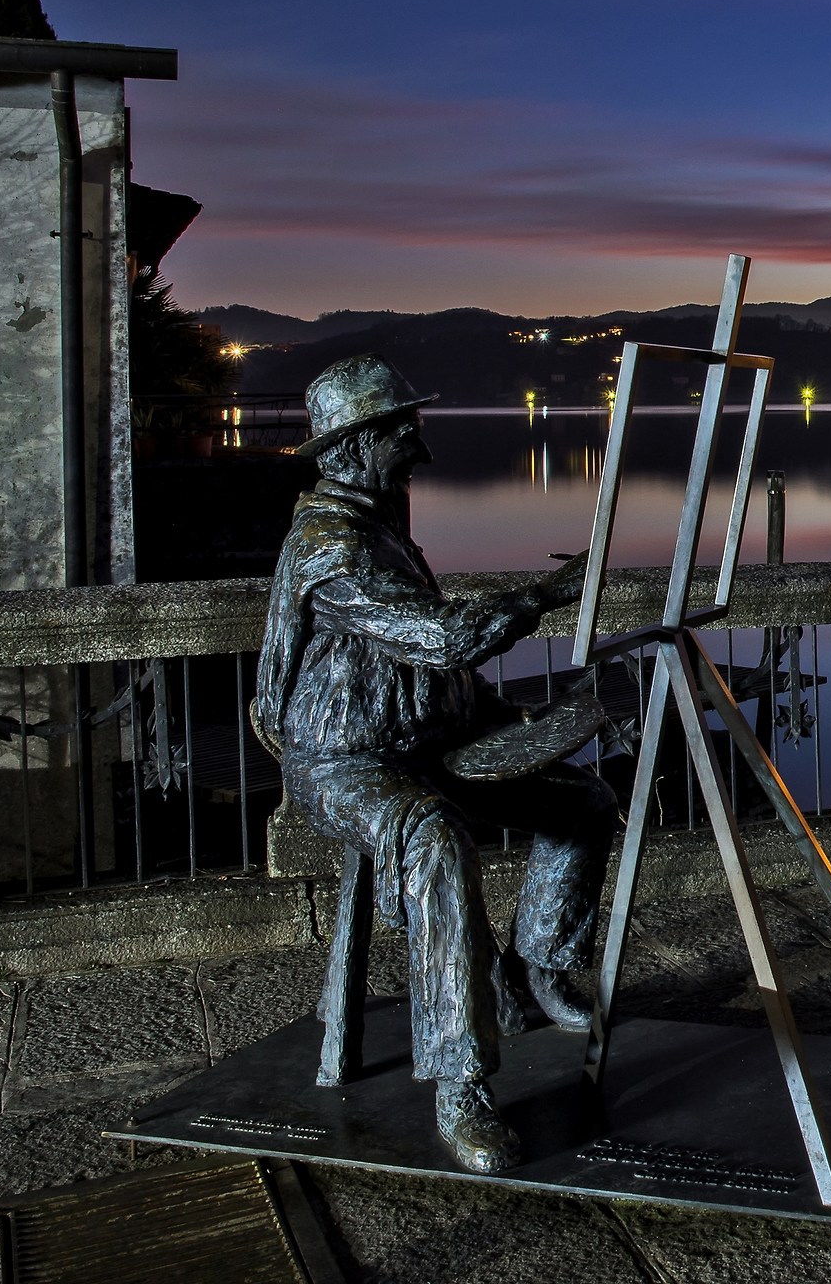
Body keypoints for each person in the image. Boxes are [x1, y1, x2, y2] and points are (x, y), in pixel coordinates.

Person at [255, 354, 613, 1174]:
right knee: (435, 841)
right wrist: (544, 598)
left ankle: (545, 965)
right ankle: (461, 1082)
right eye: (399, 430)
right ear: (355, 447)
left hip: (423, 745)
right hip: (346, 764)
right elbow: (437, 638)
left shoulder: (376, 524)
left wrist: (506, 722)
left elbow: (420, 664)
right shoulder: (331, 546)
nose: (416, 444)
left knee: (581, 801)